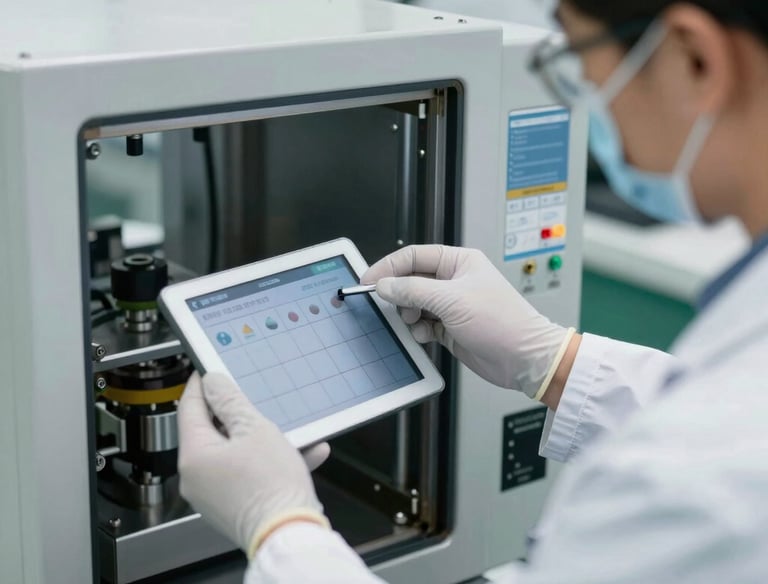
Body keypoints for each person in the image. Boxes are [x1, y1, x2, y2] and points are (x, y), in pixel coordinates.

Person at [177, 0, 768, 581]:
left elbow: (705, 447)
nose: (581, 86)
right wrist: (553, 360)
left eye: (579, 55)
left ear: (694, 60)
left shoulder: (696, 480)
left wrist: (277, 527)